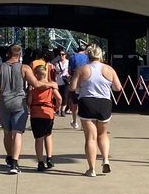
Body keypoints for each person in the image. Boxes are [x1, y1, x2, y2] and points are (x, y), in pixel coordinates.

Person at [71, 43, 123, 175]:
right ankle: (105, 159)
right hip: (104, 103)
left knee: (90, 137)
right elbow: (118, 88)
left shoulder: (82, 69)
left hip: (87, 102)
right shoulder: (109, 69)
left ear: (88, 55)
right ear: (101, 55)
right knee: (103, 134)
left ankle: (91, 168)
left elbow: (72, 87)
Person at [0, 44, 37, 174]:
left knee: (7, 133)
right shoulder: (24, 68)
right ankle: (14, 162)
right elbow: (35, 83)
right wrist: (50, 84)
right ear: (19, 55)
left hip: (4, 103)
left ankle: (9, 157)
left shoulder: (0, 68)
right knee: (17, 133)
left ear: (8, 54)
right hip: (19, 103)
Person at [28, 64, 62, 171]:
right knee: (48, 135)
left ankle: (40, 162)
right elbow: (59, 98)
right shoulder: (51, 86)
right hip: (48, 112)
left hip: (36, 113)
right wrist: (56, 108)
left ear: (36, 75)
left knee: (39, 139)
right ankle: (49, 159)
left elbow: (28, 102)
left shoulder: (32, 87)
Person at [67, 43, 89, 129]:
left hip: (75, 81)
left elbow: (69, 71)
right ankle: (84, 123)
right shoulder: (87, 57)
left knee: (74, 102)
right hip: (85, 81)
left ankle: (75, 121)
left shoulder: (72, 57)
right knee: (84, 102)